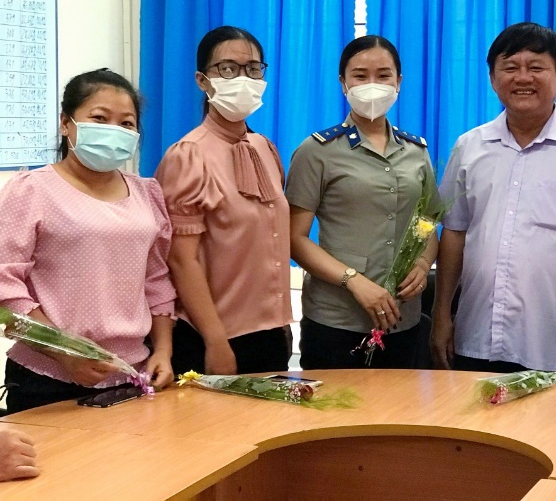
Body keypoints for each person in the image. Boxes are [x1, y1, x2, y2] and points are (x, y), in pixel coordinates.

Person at [431, 22, 556, 377]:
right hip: (476, 335)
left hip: (554, 340)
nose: (523, 78)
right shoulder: (470, 146)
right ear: (493, 79)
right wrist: (441, 315)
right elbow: (454, 234)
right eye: (510, 67)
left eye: (536, 67)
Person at [0, 69, 175, 414]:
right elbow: (5, 287)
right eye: (99, 118)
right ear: (66, 123)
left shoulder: (147, 193)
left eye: (126, 123)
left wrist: (164, 351)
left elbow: (156, 280)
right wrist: (64, 352)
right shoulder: (31, 191)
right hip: (47, 376)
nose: (114, 130)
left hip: (132, 374)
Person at [285, 35, 438, 369]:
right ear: (343, 83)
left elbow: (426, 224)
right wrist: (353, 280)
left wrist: (423, 264)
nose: (372, 85)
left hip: (404, 319)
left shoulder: (417, 151)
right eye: (360, 75)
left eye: (383, 75)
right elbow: (294, 239)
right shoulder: (317, 151)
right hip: (337, 320)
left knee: (400, 404)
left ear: (398, 82)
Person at [155, 26, 291, 376]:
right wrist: (215, 340)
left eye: (253, 69)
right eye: (228, 69)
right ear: (202, 80)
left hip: (269, 333)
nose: (243, 78)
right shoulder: (188, 154)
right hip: (213, 337)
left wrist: (280, 323)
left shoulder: (264, 147)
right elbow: (181, 260)